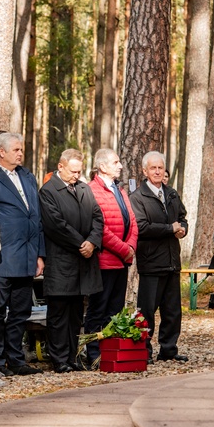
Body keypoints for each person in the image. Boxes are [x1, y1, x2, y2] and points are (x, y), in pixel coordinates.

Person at [0, 132, 45, 376]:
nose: (20, 153)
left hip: (27, 254)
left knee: (21, 311)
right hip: (3, 255)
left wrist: (40, 254)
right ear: (1, 152)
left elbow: (35, 216)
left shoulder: (27, 176)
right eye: (16, 149)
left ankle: (15, 359)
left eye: (21, 149)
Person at [39, 149, 103, 373]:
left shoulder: (84, 189)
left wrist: (93, 242)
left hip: (83, 262)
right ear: (61, 167)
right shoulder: (48, 191)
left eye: (79, 171)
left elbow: (97, 216)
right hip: (61, 260)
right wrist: (81, 244)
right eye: (73, 171)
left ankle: (73, 356)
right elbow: (56, 225)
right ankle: (58, 358)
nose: (77, 175)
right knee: (59, 313)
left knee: (77, 313)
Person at [130, 151, 188, 363]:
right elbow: (141, 227)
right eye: (153, 168)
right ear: (145, 171)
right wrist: (169, 229)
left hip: (172, 261)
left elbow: (182, 218)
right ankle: (143, 351)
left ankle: (169, 349)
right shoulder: (137, 197)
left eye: (160, 168)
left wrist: (182, 229)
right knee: (146, 311)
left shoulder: (171, 194)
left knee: (172, 311)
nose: (157, 171)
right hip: (151, 263)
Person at [84, 149, 138, 366]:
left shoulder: (120, 190)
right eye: (116, 162)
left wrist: (131, 246)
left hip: (122, 261)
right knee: (99, 308)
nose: (121, 166)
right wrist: (124, 249)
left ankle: (111, 350)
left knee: (115, 309)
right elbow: (100, 228)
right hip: (104, 261)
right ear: (102, 167)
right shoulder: (92, 191)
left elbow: (132, 220)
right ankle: (94, 354)